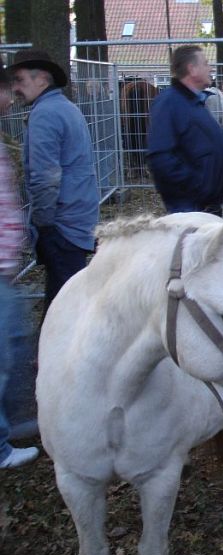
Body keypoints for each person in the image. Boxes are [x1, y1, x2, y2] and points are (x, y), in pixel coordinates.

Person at [8, 49, 99, 314]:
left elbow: (45, 176)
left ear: (42, 80)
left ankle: (60, 352)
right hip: (77, 216)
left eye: (20, 80)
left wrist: (43, 223)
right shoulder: (65, 108)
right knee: (66, 294)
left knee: (64, 303)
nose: (15, 88)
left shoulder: (45, 114)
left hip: (62, 222)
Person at [0, 62, 39, 469]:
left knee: (13, 341)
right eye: (8, 89)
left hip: (5, 264)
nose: (12, 97)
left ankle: (17, 422)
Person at [147, 45, 223, 216]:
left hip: (203, 206)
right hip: (190, 208)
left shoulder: (193, 101)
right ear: (192, 69)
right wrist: (196, 186)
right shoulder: (169, 103)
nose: (210, 68)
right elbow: (160, 157)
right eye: (205, 63)